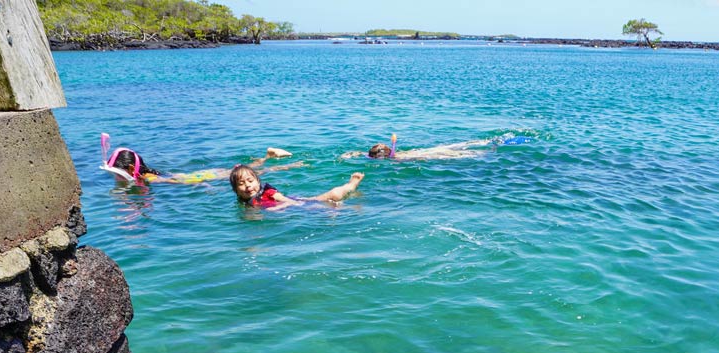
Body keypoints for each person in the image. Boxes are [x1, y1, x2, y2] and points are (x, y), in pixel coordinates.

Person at [100, 134, 300, 184]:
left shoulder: (149, 178)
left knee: (251, 174)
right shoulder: (149, 172)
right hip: (199, 174)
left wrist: (200, 185)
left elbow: (173, 181)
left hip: (200, 178)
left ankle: (292, 165)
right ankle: (268, 155)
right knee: (243, 170)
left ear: (128, 169)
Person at [229, 165, 365, 208]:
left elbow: (286, 201)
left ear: (258, 182)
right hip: (295, 206)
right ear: (235, 190)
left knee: (329, 198)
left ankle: (351, 185)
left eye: (250, 181)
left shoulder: (268, 192)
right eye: (241, 184)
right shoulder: (245, 201)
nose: (247, 186)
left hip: (296, 204)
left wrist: (279, 208)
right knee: (324, 203)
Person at [342, 133, 532, 161]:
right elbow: (391, 145)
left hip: (416, 156)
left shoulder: (393, 158)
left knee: (455, 154)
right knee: (456, 147)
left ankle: (491, 150)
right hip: (417, 152)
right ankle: (489, 143)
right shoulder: (391, 154)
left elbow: (391, 152)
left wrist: (349, 155)